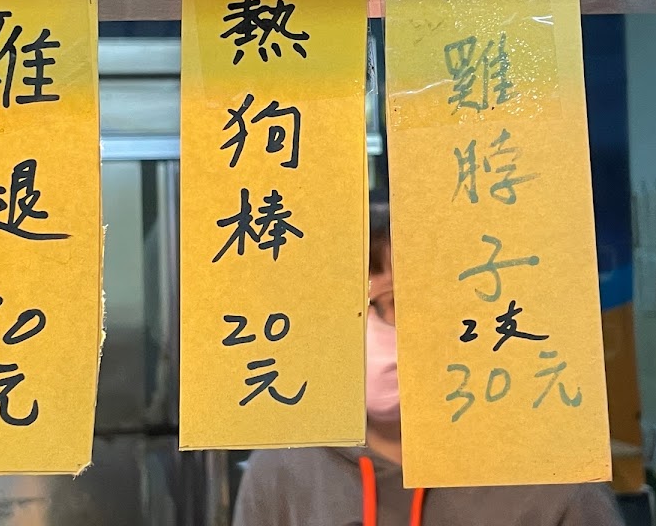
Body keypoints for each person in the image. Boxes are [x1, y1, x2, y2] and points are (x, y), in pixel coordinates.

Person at [233, 193, 626, 526]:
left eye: (394, 303)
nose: (370, 331)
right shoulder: (282, 471)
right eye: (347, 312)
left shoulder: (550, 481)